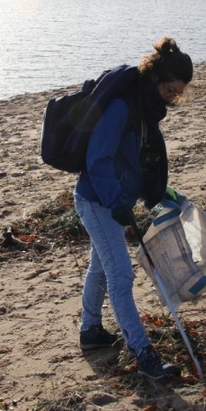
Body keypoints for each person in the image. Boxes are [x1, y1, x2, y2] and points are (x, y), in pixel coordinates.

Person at [74, 37, 193, 379]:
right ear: (157, 80)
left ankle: (90, 332)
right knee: (121, 275)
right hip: (96, 200)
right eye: (171, 90)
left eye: (178, 93)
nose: (173, 98)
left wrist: (164, 193)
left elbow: (138, 162)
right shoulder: (123, 107)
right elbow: (98, 160)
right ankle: (143, 353)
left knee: (102, 267)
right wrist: (116, 203)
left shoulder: (147, 111)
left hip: (114, 201)